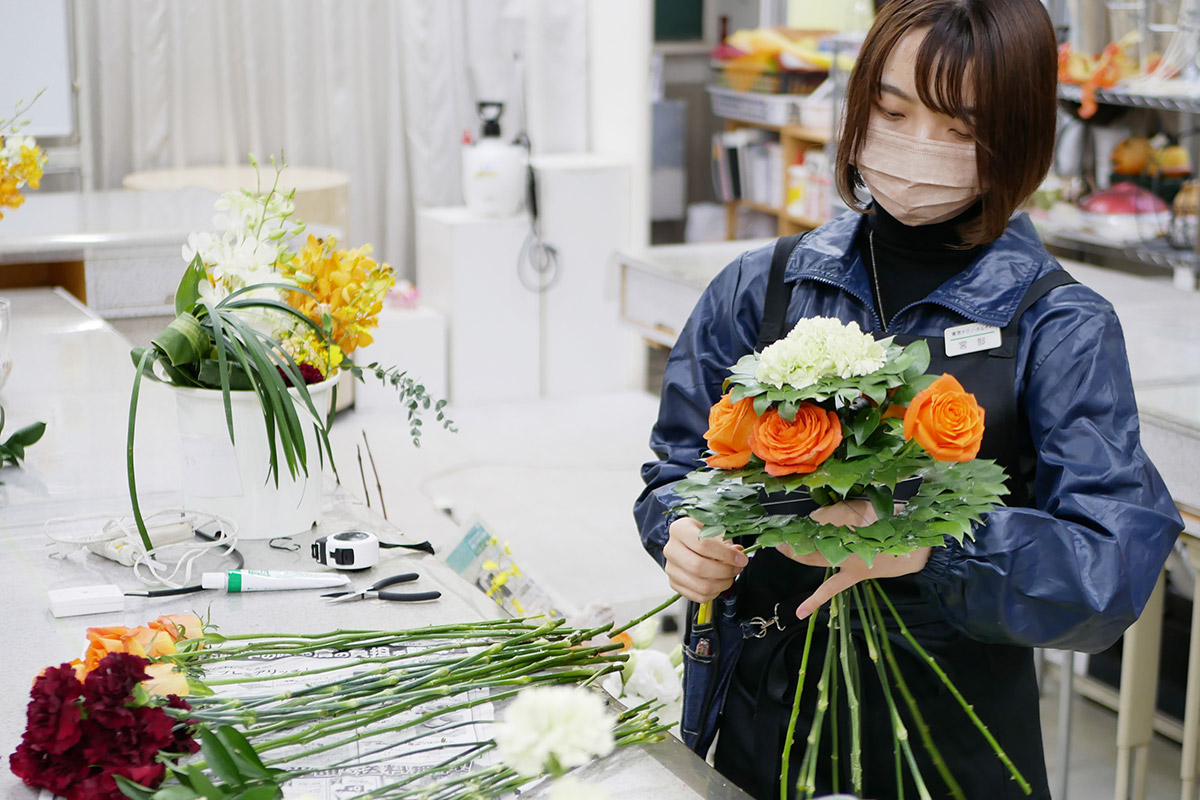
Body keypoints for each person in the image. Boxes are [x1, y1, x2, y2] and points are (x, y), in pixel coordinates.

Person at [633, 0, 1184, 798]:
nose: (917, 146)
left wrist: (936, 546)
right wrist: (681, 532)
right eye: (893, 111)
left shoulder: (1057, 325)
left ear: (1017, 138)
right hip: (765, 722)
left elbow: (1109, 572)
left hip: (953, 744)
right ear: (858, 108)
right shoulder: (764, 287)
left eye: (960, 129)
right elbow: (679, 467)